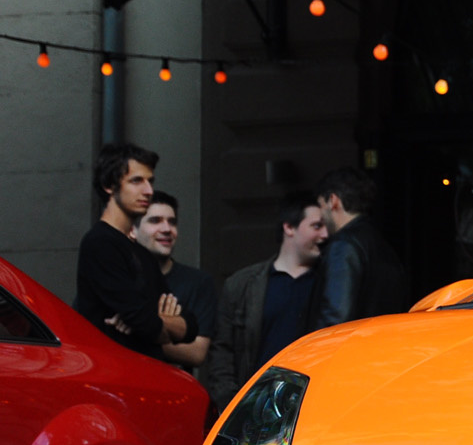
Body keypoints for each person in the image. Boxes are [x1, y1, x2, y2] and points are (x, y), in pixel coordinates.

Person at [74, 143, 196, 359]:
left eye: (150, 181)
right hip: (113, 377)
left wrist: (152, 319)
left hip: (145, 375)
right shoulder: (100, 244)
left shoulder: (142, 253)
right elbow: (145, 323)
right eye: (136, 181)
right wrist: (150, 321)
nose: (148, 191)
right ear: (109, 186)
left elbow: (191, 326)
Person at [209, 192, 328, 409]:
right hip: (254, 408)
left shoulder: (329, 285)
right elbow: (222, 351)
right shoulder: (242, 285)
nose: (325, 234)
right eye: (317, 226)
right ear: (289, 228)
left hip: (310, 405)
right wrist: (231, 403)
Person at [304, 166, 409, 331]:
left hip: (348, 351)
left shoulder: (344, 246)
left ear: (333, 201)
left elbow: (335, 318)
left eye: (321, 205)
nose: (321, 215)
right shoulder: (379, 242)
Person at [133, 191, 217, 377]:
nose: (167, 229)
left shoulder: (198, 282)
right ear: (133, 230)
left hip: (172, 391)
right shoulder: (117, 280)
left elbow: (196, 352)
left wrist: (135, 329)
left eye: (172, 222)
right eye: (155, 220)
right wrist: (168, 329)